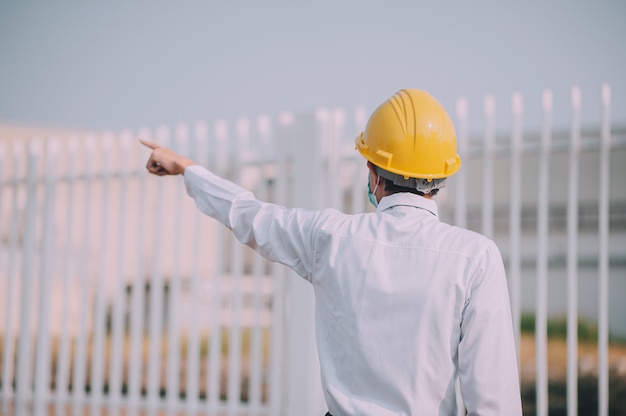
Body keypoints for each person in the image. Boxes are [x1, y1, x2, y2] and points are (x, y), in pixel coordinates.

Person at [141, 89, 523, 415]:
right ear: (441, 177)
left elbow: (248, 214)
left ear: (373, 171)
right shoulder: (476, 258)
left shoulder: (330, 238)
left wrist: (186, 168)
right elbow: (495, 402)